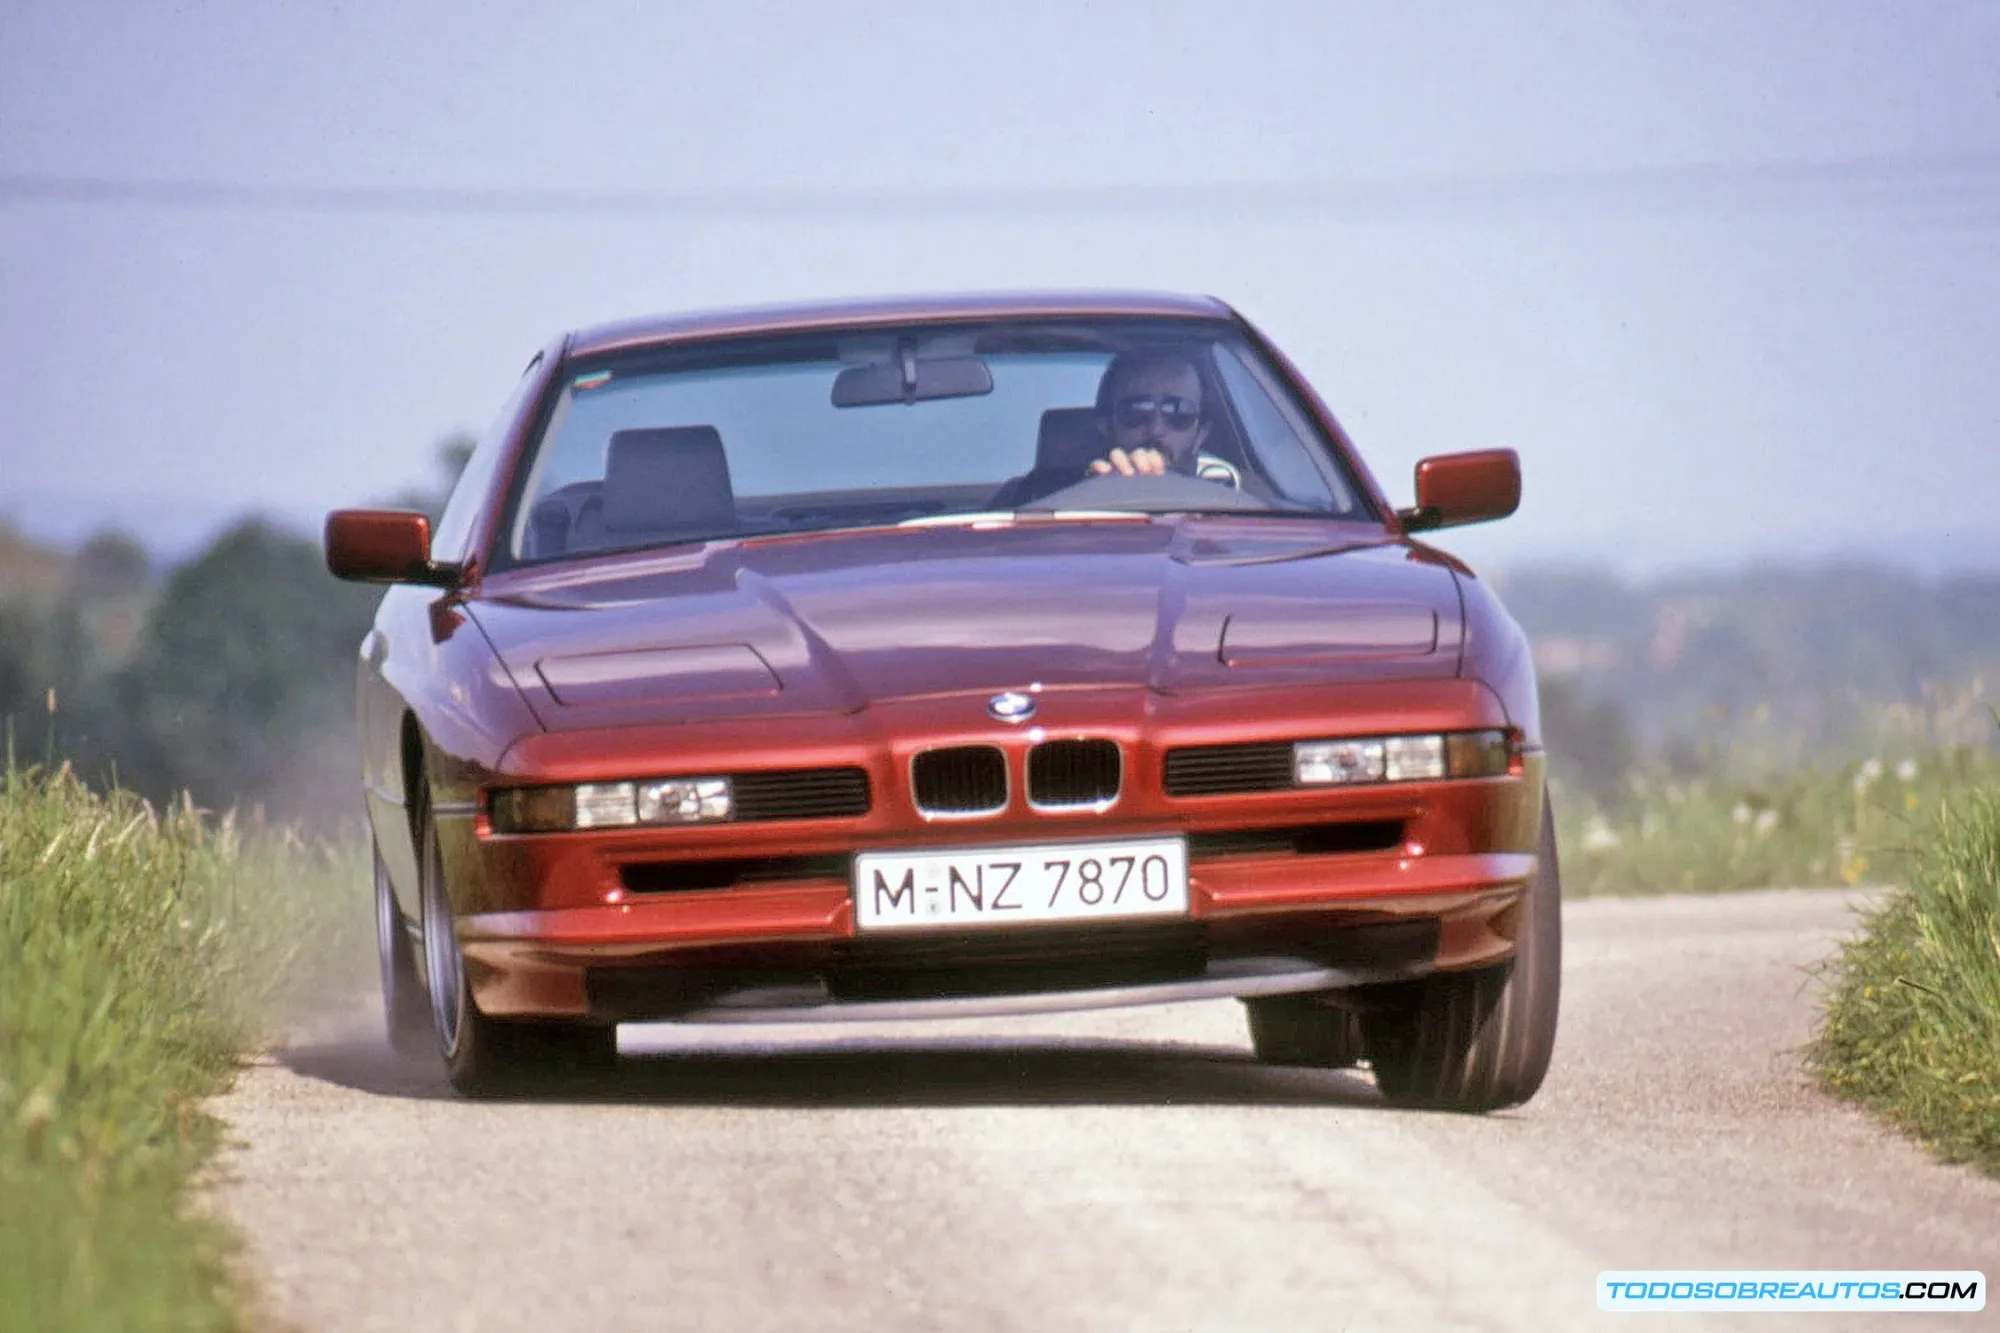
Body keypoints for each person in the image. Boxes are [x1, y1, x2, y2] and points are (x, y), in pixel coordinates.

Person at [1085, 349, 1214, 478]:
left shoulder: (1225, 493)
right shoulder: (1075, 495)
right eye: (1136, 412)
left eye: (1178, 414)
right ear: (1105, 426)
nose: (1156, 429)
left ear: (1201, 435)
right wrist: (1097, 490)